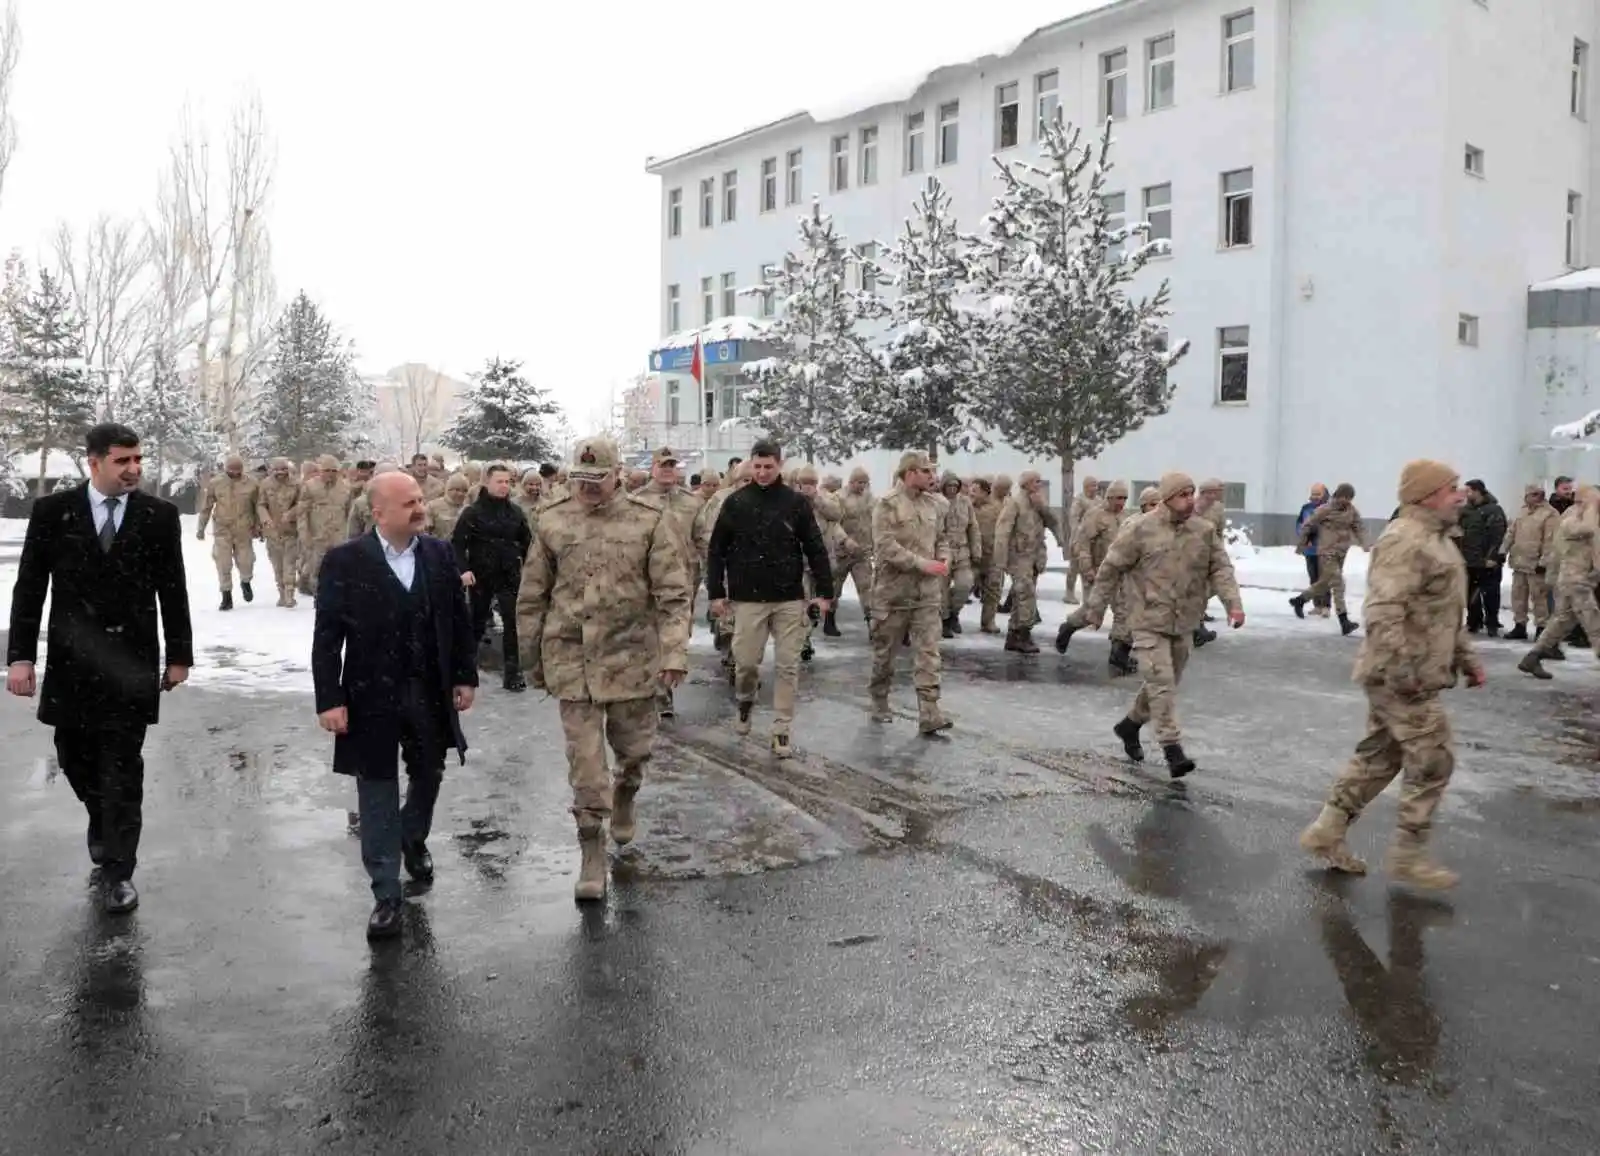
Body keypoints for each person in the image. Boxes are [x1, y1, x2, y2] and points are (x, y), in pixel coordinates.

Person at [6, 423, 193, 914]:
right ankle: (100, 818)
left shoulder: (158, 516)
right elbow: (29, 588)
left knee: (122, 766)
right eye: (122, 461)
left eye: (138, 460)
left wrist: (178, 655)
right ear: (93, 462)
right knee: (73, 754)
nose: (133, 469)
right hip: (72, 660)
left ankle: (118, 869)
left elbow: (172, 589)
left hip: (130, 662)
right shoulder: (53, 512)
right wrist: (21, 656)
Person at [517, 436, 690, 901]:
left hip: (631, 657)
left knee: (634, 751)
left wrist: (674, 653)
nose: (588, 488)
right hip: (572, 656)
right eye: (581, 480)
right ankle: (591, 851)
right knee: (586, 764)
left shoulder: (649, 522)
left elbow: (674, 596)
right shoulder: (551, 521)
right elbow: (533, 595)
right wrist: (531, 658)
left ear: (618, 475)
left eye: (597, 480)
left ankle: (627, 790)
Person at [1300, 460, 1482, 889]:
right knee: (1435, 758)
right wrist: (1403, 672)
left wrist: (1466, 657)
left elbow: (1445, 615)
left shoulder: (1439, 541)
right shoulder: (1405, 539)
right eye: (1451, 487)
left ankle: (1326, 831)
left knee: (1380, 757)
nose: (1460, 495)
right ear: (1425, 494)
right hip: (1401, 674)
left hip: (1413, 670)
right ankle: (1408, 854)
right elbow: (1383, 613)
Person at [312, 472, 479, 938]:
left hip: (428, 689)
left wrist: (465, 675)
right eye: (409, 502)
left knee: (430, 771)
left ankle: (413, 837)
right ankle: (386, 892)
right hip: (370, 694)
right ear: (379, 511)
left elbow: (457, 621)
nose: (420, 508)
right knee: (377, 786)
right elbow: (327, 636)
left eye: (421, 499)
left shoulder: (439, 554)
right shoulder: (346, 561)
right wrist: (330, 698)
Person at [1056, 473, 1244, 778]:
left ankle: (1129, 725)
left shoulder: (1203, 530)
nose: (1189, 500)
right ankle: (1173, 749)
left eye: (1191, 494)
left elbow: (1220, 568)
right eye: (1182, 495)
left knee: (1165, 682)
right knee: (1161, 682)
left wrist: (1233, 604)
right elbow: (1112, 568)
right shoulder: (1140, 529)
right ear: (1167, 498)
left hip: (1183, 620)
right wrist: (1095, 608)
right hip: (1145, 618)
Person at [706, 438, 833, 758]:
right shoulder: (736, 503)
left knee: (788, 665)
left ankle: (781, 729)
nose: (762, 473)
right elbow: (716, 550)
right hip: (747, 598)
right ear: (750, 465)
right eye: (758, 466)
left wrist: (824, 593)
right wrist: (716, 593)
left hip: (789, 598)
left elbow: (816, 548)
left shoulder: (796, 504)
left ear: (780, 465)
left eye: (769, 467)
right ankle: (746, 701)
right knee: (746, 664)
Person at [869, 451, 953, 732]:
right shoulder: (887, 505)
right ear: (910, 473)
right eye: (926, 471)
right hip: (893, 593)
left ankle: (930, 711)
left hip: (927, 594)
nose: (932, 477)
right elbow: (885, 546)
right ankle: (879, 699)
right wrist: (921, 564)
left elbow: (942, 538)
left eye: (932, 472)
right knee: (885, 653)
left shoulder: (935, 505)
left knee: (929, 652)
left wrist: (943, 558)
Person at [451, 464, 533, 692]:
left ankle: (513, 672)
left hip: (509, 575)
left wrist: (531, 570)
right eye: (499, 481)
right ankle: (466, 671)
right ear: (486, 483)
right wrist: (463, 570)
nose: (504, 486)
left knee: (511, 623)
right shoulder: (472, 513)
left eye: (507, 482)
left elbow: (528, 543)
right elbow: (457, 544)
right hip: (480, 576)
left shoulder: (515, 513)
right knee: (476, 624)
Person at [1517, 485, 1600, 680]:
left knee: (1562, 621)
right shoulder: (1570, 521)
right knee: (1592, 619)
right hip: (1574, 580)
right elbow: (1587, 530)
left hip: (1584, 579)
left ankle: (1533, 657)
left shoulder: (1591, 520)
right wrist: (1590, 506)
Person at [1291, 482, 1365, 635]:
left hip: (1341, 552)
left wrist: (1365, 543)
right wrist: (1303, 543)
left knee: (1325, 583)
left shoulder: (1351, 511)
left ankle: (1300, 600)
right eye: (1344, 497)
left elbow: (1358, 526)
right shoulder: (1326, 509)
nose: (1347, 500)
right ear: (1338, 495)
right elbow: (1308, 524)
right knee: (1338, 583)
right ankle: (1344, 621)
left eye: (1350, 498)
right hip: (1326, 551)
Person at [993, 471, 1051, 653]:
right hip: (1019, 557)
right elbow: (1002, 532)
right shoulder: (1014, 503)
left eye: (1040, 481)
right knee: (1026, 594)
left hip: (1034, 556)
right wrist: (1001, 559)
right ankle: (1024, 634)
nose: (1038, 485)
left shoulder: (1039, 503)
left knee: (1021, 596)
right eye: (1035, 481)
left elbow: (1052, 522)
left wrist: (1042, 507)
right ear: (1025, 484)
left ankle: (1014, 634)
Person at [197, 453, 260, 610]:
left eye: (238, 470)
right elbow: (206, 507)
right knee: (223, 563)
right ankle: (226, 595)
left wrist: (259, 526)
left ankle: (246, 582)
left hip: (244, 528)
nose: (235, 473)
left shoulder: (252, 483)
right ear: (225, 469)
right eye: (231, 470)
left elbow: (259, 506)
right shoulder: (216, 483)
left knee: (246, 561)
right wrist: (201, 528)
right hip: (222, 529)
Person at [1500, 483, 1558, 642]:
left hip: (1536, 564)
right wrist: (1502, 550)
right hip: (1519, 562)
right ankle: (1520, 625)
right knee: (1518, 596)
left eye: (1537, 494)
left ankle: (1542, 627)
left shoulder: (1550, 514)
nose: (1534, 497)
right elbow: (1511, 533)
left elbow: (1550, 540)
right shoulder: (1522, 512)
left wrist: (1544, 561)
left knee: (1539, 597)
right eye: (1531, 494)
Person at [1458, 480, 1507, 636]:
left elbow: (1498, 535)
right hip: (1469, 560)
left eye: (1468, 491)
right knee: (1471, 593)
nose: (1466, 494)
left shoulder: (1494, 510)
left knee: (1491, 593)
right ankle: (1474, 621)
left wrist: (1492, 557)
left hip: (1487, 561)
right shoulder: (1465, 511)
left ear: (1478, 491)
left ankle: (1492, 623)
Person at [939, 472, 982, 638]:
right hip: (942, 552)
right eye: (948, 486)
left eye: (954, 486)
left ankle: (953, 613)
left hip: (962, 551)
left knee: (964, 585)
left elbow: (973, 528)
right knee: (941, 591)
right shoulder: (936, 501)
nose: (952, 489)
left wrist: (976, 550)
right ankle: (944, 620)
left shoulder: (965, 503)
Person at [256, 457, 303, 607]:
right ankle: (282, 594)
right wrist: (265, 518)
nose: (280, 473)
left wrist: (291, 513)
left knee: (289, 563)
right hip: (272, 532)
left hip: (291, 530)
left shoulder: (297, 484)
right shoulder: (265, 485)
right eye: (277, 470)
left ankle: (290, 594)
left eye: (283, 469)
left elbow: (302, 503)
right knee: (277, 565)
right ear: (272, 470)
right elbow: (261, 504)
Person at [1296, 484, 1331, 618]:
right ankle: (1317, 605)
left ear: (1324, 494)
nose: (1315, 497)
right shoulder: (1306, 508)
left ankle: (1326, 606)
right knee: (1313, 578)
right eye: (1313, 494)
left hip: (1324, 548)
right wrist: (1304, 536)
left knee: (1325, 578)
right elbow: (1299, 524)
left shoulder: (1329, 509)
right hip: (1310, 549)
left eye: (1318, 494)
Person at [1063, 475, 1100, 605]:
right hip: (1078, 540)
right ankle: (1069, 592)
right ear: (1085, 487)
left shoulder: (1098, 501)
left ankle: (1088, 599)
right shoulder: (1079, 500)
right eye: (1092, 485)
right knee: (1074, 568)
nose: (1095, 488)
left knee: (1088, 569)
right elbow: (1074, 518)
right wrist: (1078, 535)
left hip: (1093, 541)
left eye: (1096, 485)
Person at [427, 472, 471, 542]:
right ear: (448, 489)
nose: (461, 494)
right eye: (457, 490)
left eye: (465, 491)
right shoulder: (432, 506)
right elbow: (426, 533)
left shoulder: (468, 510)